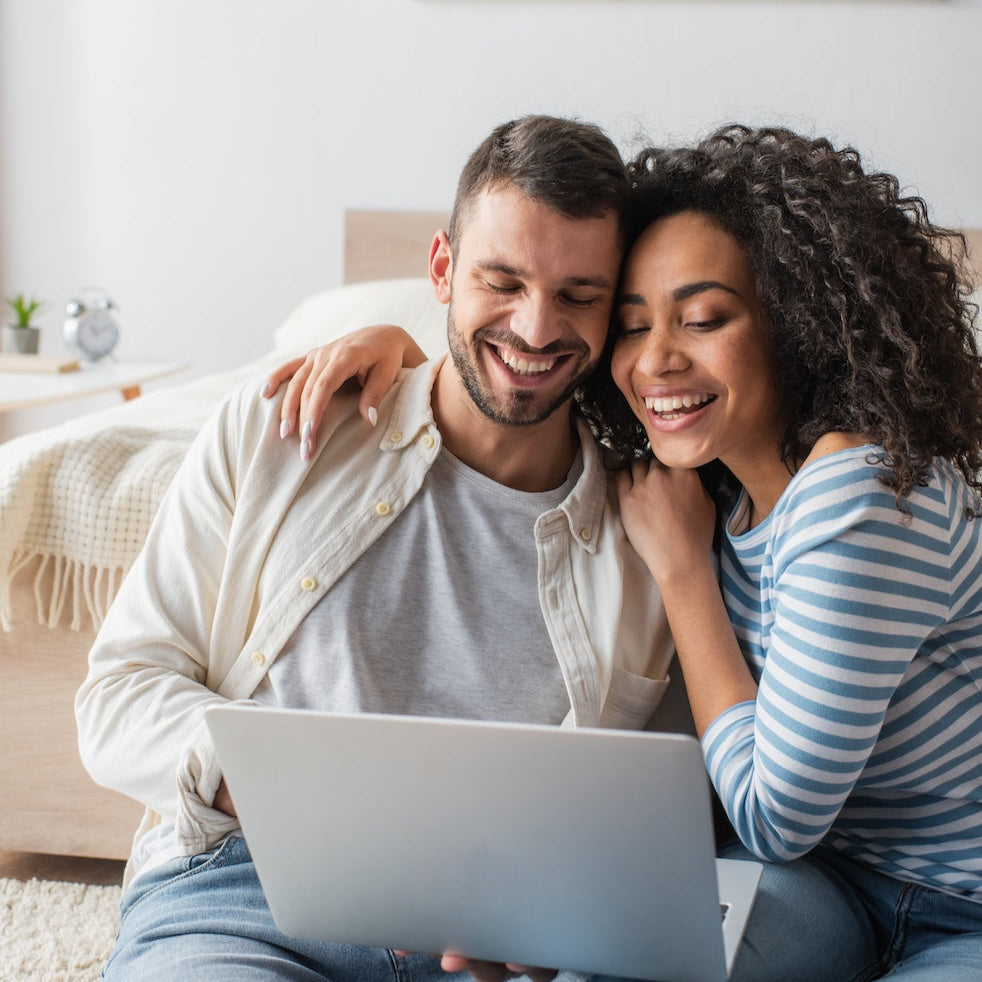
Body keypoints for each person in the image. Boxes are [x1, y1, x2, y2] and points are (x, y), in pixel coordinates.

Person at [273, 125, 982, 981]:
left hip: (955, 905)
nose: (656, 361)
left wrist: (684, 573)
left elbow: (772, 814)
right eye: (631, 324)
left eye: (705, 318)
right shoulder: (711, 474)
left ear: (795, 322)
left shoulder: (854, 490)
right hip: (823, 883)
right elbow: (518, 371)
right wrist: (411, 347)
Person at [75, 114, 681, 982]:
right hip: (247, 891)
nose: (537, 328)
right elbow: (118, 693)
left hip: (498, 940)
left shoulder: (655, 526)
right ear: (441, 269)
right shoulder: (282, 425)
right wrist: (277, 789)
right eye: (501, 281)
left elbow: (660, 813)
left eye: (578, 295)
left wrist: (559, 908)